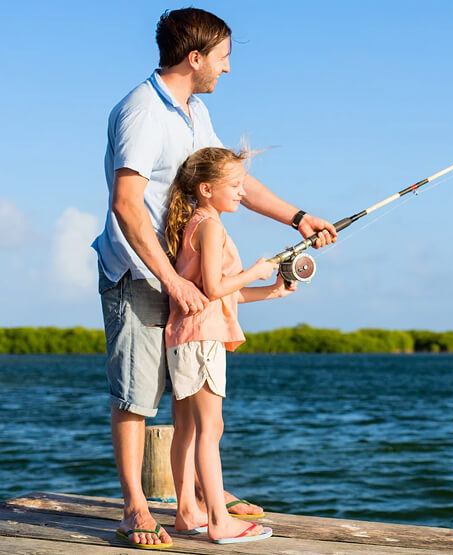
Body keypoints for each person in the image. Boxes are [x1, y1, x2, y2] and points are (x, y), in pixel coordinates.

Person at [92, 8, 336, 549]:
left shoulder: (194, 113)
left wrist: (298, 218)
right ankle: (135, 507)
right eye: (223, 58)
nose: (227, 70)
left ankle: (193, 501)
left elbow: (233, 183)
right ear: (195, 57)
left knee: (185, 399)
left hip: (185, 279)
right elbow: (127, 206)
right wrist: (175, 283)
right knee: (136, 396)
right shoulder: (141, 112)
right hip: (137, 272)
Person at [164, 147, 287, 544]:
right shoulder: (211, 226)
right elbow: (217, 287)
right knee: (210, 429)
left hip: (186, 335)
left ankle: (187, 513)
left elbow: (212, 291)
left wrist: (270, 290)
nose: (241, 192)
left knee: (185, 428)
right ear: (206, 189)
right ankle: (219, 519)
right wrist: (254, 270)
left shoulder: (197, 222)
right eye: (234, 185)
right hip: (202, 338)